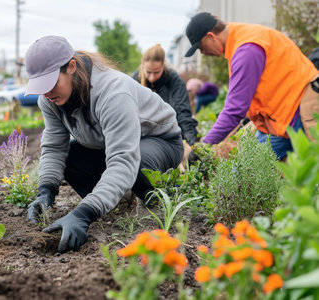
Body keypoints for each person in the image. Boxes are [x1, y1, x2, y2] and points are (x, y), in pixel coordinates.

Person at [24, 36, 183, 253]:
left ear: (71, 67)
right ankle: (121, 195)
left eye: (51, 83)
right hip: (109, 147)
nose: (47, 93)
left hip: (160, 142)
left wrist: (84, 213)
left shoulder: (113, 92)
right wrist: (46, 191)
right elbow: (54, 147)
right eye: (41, 87)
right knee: (69, 159)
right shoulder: (50, 99)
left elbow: (123, 160)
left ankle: (154, 195)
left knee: (134, 166)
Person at [184, 12, 319, 160]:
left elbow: (235, 109)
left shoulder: (246, 50)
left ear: (211, 36)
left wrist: (205, 144)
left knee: (308, 171)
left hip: (297, 109)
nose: (202, 52)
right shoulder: (241, 36)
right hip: (281, 115)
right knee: (247, 172)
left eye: (201, 47)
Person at [132, 44, 199, 146]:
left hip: (169, 128)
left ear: (163, 65)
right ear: (143, 66)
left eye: (156, 72)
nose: (151, 78)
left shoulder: (174, 80)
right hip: (143, 130)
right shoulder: (134, 80)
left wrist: (190, 139)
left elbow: (182, 110)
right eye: (148, 72)